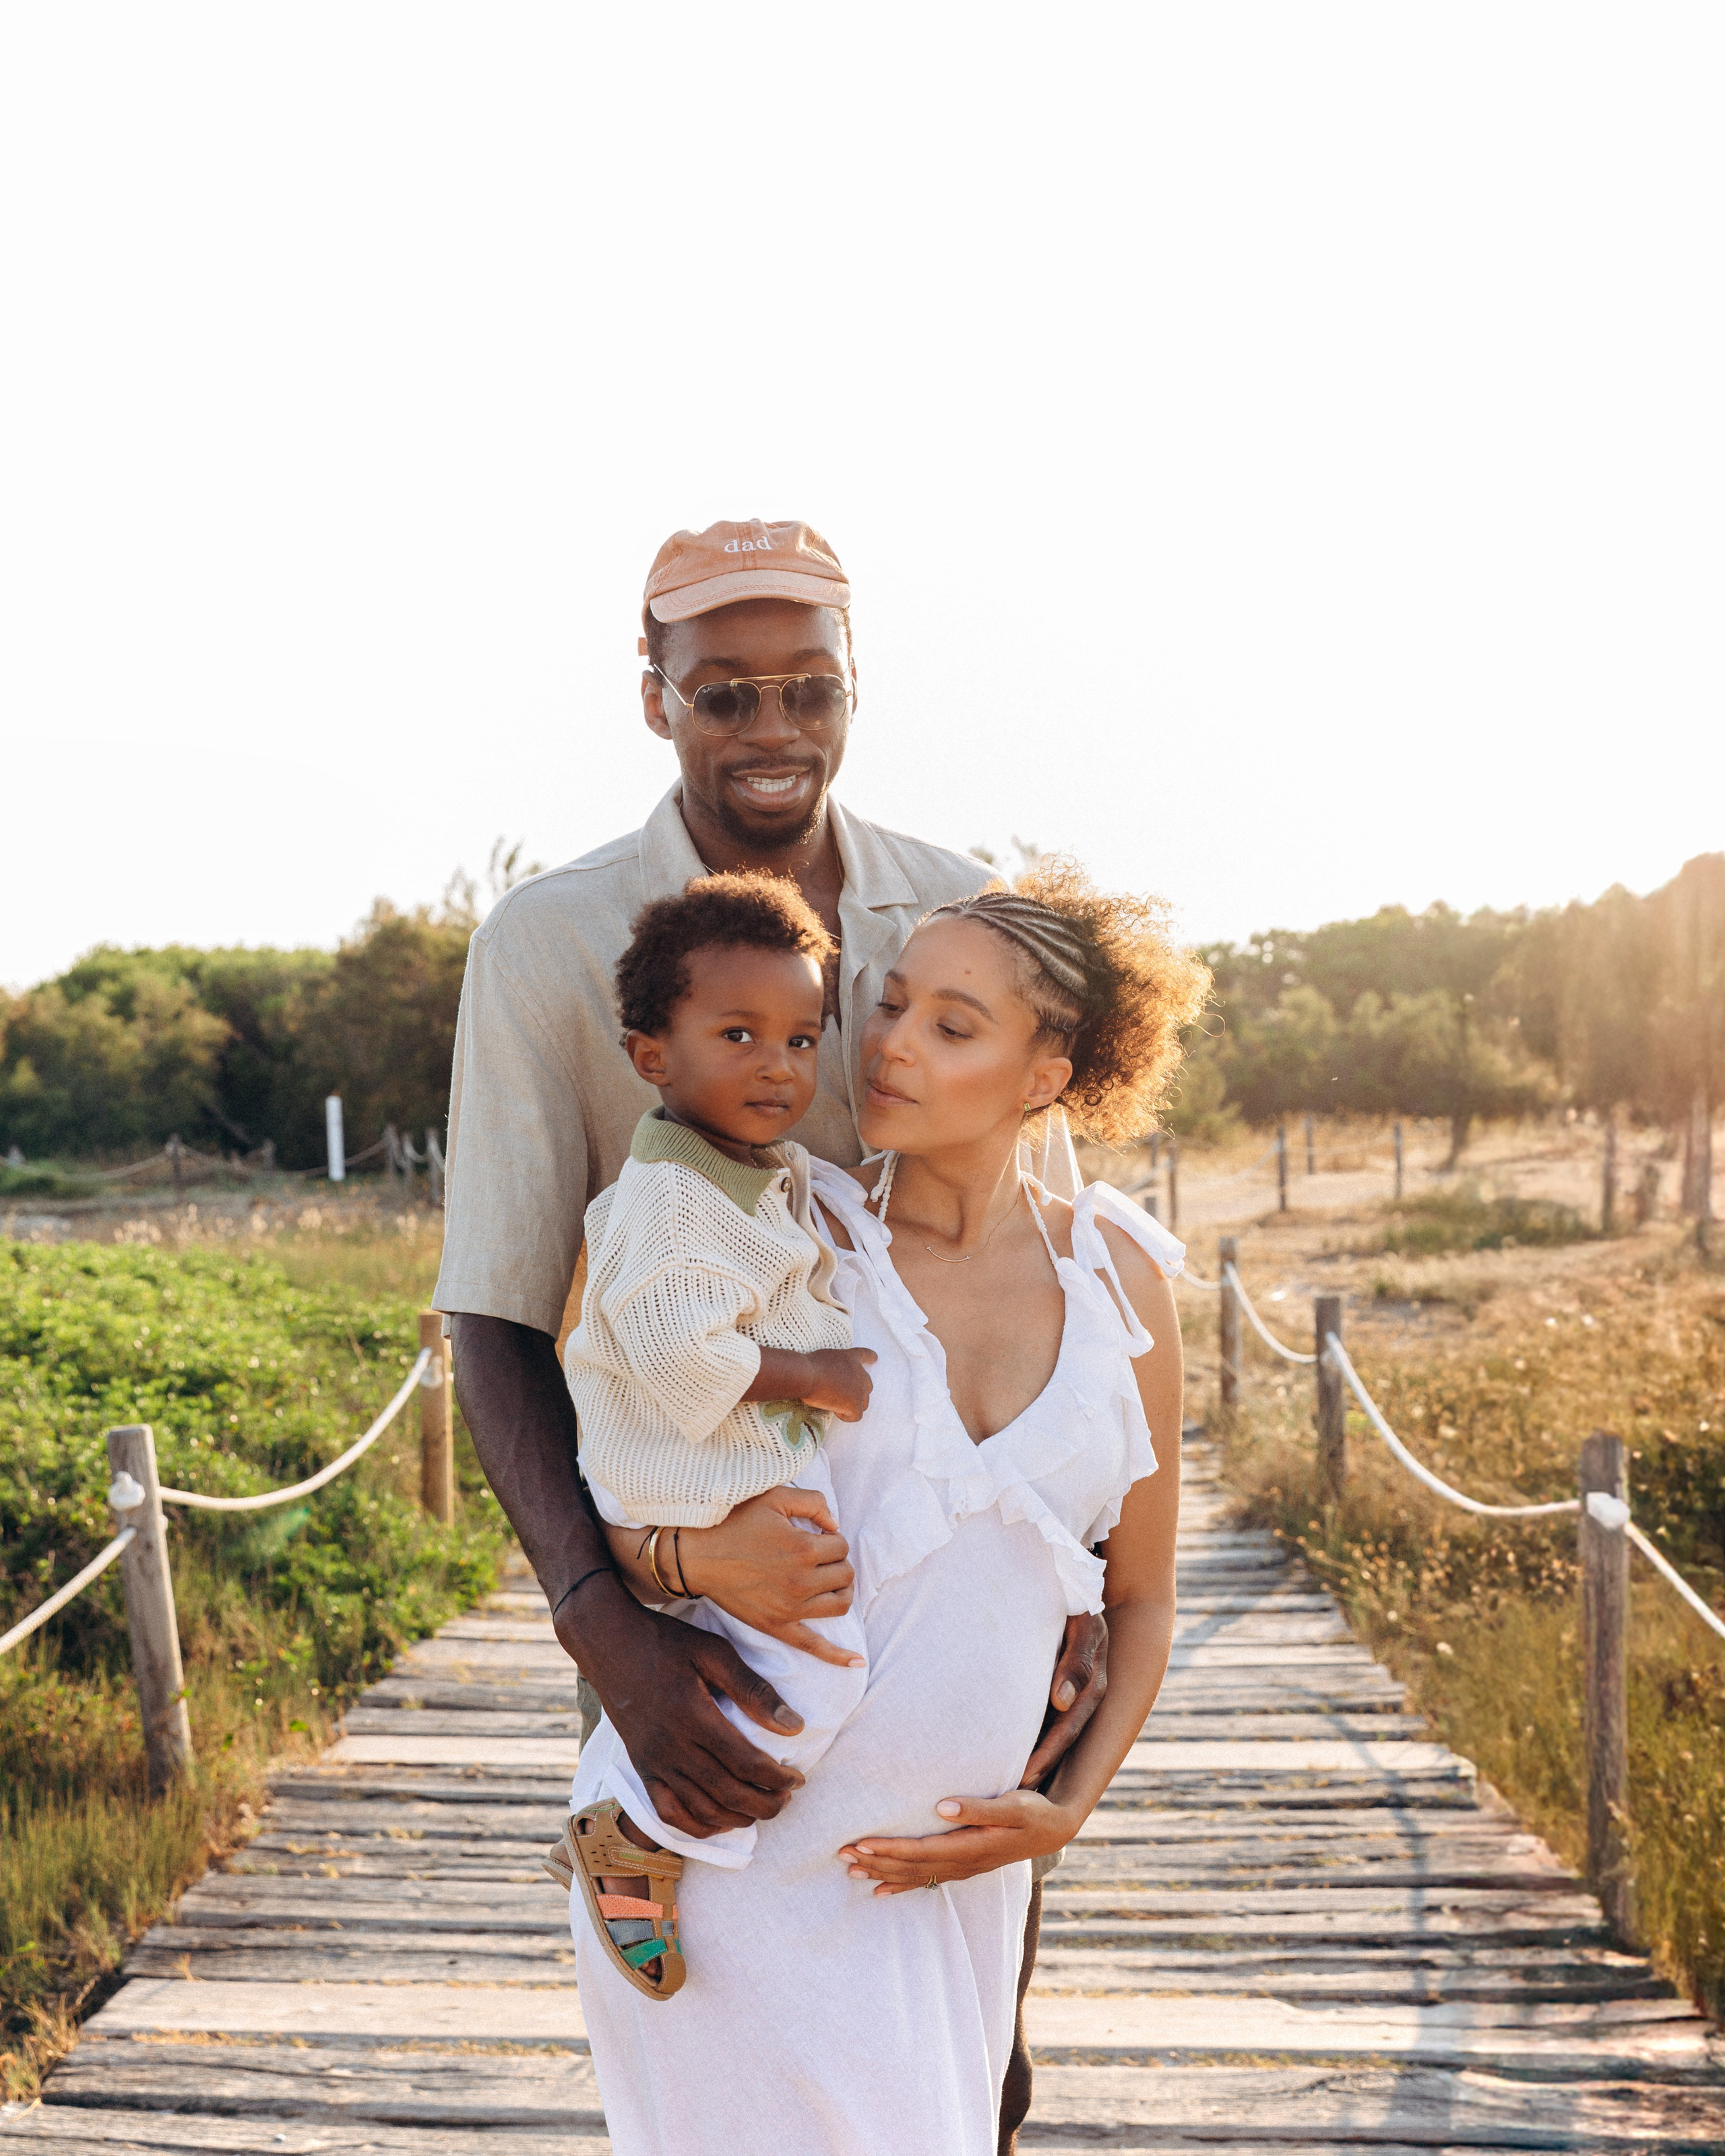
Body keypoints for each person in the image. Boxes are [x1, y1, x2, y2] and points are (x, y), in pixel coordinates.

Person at [434, 519, 1105, 2142]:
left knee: (969, 2063)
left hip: (968, 1609)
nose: (770, 731)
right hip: (710, 1607)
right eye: (723, 693)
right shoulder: (549, 941)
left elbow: (1059, 1273)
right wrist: (607, 1625)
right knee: (722, 2064)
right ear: (652, 695)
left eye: (808, 689)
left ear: (854, 686)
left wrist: (1070, 1579)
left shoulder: (963, 915)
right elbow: (496, 1316)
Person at [568, 866, 1205, 2155]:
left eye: (953, 1026)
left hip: (946, 1883)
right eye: (894, 1005)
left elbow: (1140, 1597)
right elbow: (620, 1483)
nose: (893, 1047)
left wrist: (1071, 1805)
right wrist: (686, 1554)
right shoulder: (782, 1237)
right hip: (723, 1862)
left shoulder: (1120, 1278)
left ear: (1048, 1073)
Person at [561, 873, 879, 1995]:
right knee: (822, 1682)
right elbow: (680, 1351)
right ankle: (636, 1830)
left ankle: (650, 1821)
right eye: (736, 1034)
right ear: (654, 1056)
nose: (777, 1065)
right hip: (698, 1482)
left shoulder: (756, 1172)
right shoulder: (669, 1199)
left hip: (732, 1480)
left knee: (795, 1666)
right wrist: (820, 1374)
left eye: (800, 1037)